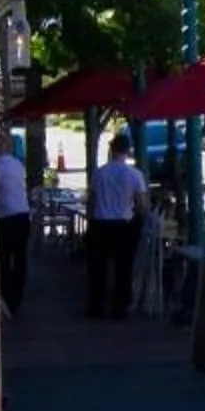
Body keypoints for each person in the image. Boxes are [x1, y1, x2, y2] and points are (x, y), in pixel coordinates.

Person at [85, 135, 148, 321]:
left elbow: (92, 201)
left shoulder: (99, 173)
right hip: (123, 225)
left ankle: (96, 306)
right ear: (128, 151)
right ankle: (120, 307)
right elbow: (141, 204)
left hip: (101, 223)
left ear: (111, 149)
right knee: (123, 267)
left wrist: (91, 221)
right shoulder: (135, 175)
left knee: (98, 268)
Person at [0, 131, 31, 319]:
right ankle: (17, 294)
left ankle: (7, 295)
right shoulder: (18, 165)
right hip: (22, 215)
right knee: (20, 257)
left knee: (3, 257)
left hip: (5, 217)